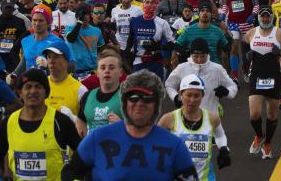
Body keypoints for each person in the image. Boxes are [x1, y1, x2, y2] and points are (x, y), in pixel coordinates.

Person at [62, 70, 199, 181]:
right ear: (124, 103)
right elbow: (70, 172)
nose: (139, 103)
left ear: (156, 105)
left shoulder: (174, 146)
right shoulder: (98, 138)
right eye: (133, 98)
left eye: (146, 99)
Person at [0, 68, 81, 181]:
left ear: (46, 92)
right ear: (20, 92)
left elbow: (83, 154)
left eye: (38, 87)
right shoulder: (9, 122)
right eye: (28, 87)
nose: (33, 91)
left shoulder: (61, 121)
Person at [157, 74, 230, 181]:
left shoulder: (212, 118)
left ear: (202, 95)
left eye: (196, 96)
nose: (192, 100)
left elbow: (220, 135)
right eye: (188, 95)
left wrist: (223, 149)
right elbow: (153, 142)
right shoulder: (168, 119)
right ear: (181, 94)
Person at [244, 8, 281, 159]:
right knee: (254, 113)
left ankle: (268, 143)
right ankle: (259, 135)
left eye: (267, 17)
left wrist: (280, 53)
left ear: (272, 17)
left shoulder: (279, 33)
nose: (265, 20)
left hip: (273, 76)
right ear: (258, 18)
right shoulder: (251, 33)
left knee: (272, 115)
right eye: (262, 17)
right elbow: (244, 47)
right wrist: (247, 57)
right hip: (256, 76)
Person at [165, 38, 237, 116]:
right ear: (191, 54)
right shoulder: (182, 68)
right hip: (186, 117)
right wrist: (175, 97)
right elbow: (169, 85)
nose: (199, 60)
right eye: (195, 56)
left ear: (207, 54)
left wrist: (226, 91)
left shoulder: (217, 69)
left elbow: (233, 86)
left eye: (202, 56)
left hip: (211, 117)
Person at [124, 0, 174, 78]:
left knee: (155, 90)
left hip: (156, 62)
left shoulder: (162, 23)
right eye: (147, 2)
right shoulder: (134, 21)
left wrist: (158, 46)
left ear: (156, 4)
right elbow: (130, 42)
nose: (149, 5)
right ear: (143, 4)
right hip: (138, 61)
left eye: (152, 2)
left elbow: (172, 44)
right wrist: (126, 57)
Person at [75, 48, 123, 136]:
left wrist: (122, 126)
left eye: (111, 68)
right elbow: (80, 123)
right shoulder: (87, 96)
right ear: (97, 72)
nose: (107, 71)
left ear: (120, 72)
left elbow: (141, 129)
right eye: (103, 67)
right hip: (93, 148)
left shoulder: (127, 97)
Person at [175, 1, 230, 67]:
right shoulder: (189, 30)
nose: (205, 13)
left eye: (207, 11)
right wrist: (187, 52)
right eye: (202, 11)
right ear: (198, 14)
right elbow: (177, 46)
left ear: (211, 14)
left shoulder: (218, 31)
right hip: (194, 67)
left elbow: (227, 48)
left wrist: (228, 35)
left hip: (213, 67)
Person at [65, 4, 105, 79]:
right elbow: (71, 39)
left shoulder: (96, 30)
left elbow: (101, 49)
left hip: (92, 70)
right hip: (75, 71)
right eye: (83, 15)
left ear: (90, 16)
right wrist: (79, 22)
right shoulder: (69, 28)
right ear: (77, 17)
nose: (85, 17)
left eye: (86, 14)